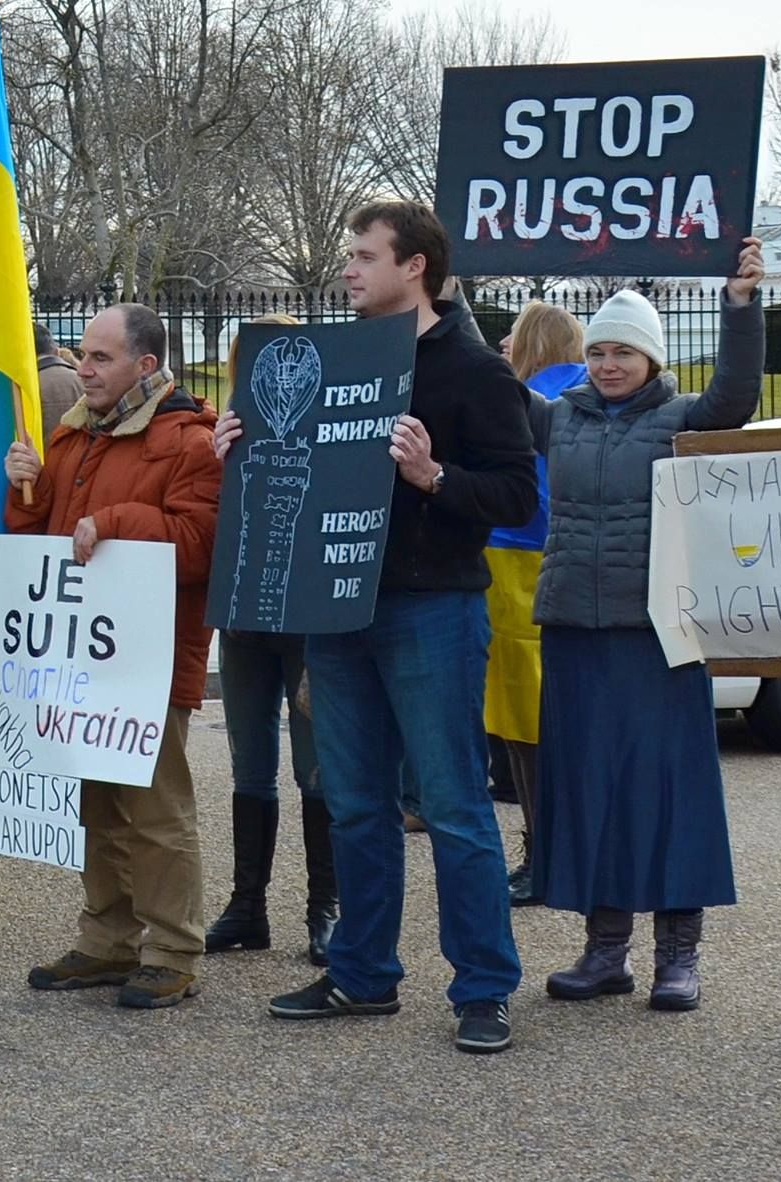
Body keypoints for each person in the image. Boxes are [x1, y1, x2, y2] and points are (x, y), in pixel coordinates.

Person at [241, 202, 535, 1055]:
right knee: (354, 803)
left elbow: (518, 495)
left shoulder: (476, 372)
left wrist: (434, 475)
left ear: (417, 267)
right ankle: (363, 974)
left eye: (365, 256)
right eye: (351, 256)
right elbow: (296, 464)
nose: (349, 270)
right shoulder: (335, 361)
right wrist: (246, 446)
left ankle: (483, 988)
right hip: (335, 607)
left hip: (432, 607)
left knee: (452, 805)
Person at [533, 245, 767, 1013]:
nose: (606, 363)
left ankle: (678, 955)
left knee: (669, 791)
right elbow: (477, 385)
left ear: (651, 357)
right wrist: (446, 287)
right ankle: (606, 952)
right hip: (573, 625)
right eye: (596, 350)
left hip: (659, 632)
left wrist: (739, 305)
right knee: (592, 788)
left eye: (623, 351)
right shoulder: (556, 418)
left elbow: (735, 395)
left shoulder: (680, 417)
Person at [2, 302, 224, 1009]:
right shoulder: (72, 438)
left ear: (146, 365)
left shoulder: (192, 440)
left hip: (151, 655)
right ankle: (107, 939)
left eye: (100, 358)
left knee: (156, 808)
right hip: (85, 656)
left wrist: (116, 524)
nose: (83, 368)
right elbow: (43, 539)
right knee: (96, 801)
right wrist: (24, 488)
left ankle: (171, 949)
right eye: (83, 355)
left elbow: (200, 545)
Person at [202, 313, 334, 963]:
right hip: (246, 618)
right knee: (250, 766)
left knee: (317, 769)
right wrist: (216, 459)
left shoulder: (328, 431)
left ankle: (324, 907)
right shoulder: (221, 428)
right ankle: (247, 906)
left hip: (306, 618)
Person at [488, 300, 585, 908]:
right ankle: (560, 848)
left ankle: (542, 850)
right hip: (565, 562)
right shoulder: (585, 396)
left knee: (524, 725)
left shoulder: (529, 400)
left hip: (515, 560)